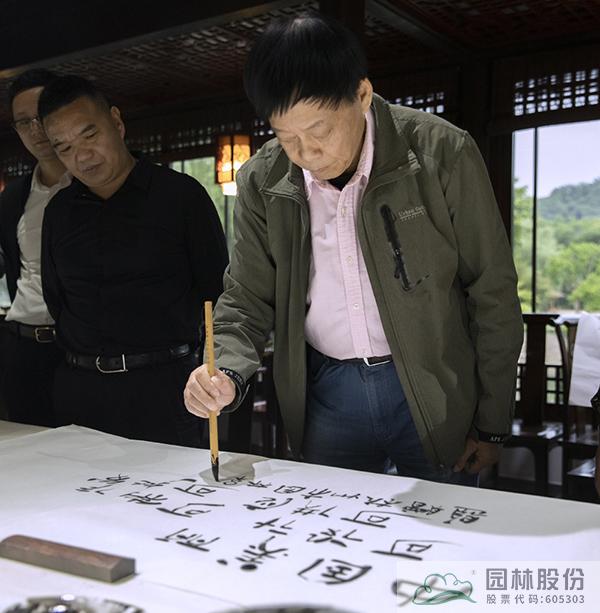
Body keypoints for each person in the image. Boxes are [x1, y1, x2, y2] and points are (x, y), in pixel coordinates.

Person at [183, 13, 523, 482]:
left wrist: (492, 421)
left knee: (440, 517)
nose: (306, 153)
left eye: (319, 131)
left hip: (434, 384)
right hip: (328, 390)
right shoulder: (263, 179)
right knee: (330, 516)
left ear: (361, 95)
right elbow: (246, 299)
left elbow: (492, 290)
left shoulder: (440, 152)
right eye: (287, 137)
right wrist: (223, 370)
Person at [38, 75, 228, 446]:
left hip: (165, 387)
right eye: (65, 148)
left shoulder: (180, 196)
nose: (82, 156)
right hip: (81, 390)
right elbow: (56, 298)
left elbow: (216, 294)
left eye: (90, 135)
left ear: (117, 122)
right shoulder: (59, 212)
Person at [0, 69, 70, 427]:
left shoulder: (93, 186)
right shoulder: (14, 195)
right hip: (23, 345)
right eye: (23, 122)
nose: (35, 130)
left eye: (42, 116)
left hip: (78, 349)